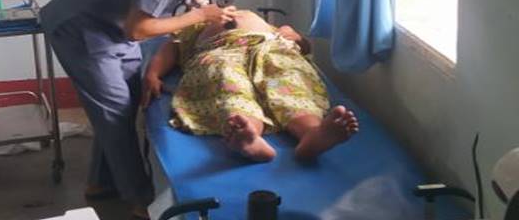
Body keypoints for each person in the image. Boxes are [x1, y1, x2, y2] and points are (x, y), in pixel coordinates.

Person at [40, 0, 275, 218]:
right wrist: (200, 15)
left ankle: (100, 182)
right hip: (81, 27)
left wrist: (200, 4)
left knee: (125, 107)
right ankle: (141, 201)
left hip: (115, 26)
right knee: (115, 113)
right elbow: (138, 30)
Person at [142, 10, 359, 163]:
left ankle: (312, 133)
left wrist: (297, 38)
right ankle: (249, 136)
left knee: (287, 81)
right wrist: (153, 74)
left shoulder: (272, 27)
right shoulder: (193, 26)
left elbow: (304, 47)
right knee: (228, 82)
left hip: (269, 48)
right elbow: (170, 49)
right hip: (221, 52)